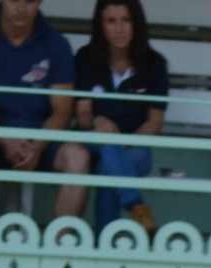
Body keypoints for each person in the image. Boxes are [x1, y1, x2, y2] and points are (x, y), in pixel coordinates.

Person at [0, 0, 88, 220]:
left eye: (29, 1)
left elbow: (62, 111)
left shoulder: (56, 43)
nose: (21, 8)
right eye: (14, 0)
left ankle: (60, 249)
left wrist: (36, 147)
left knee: (78, 157)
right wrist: (6, 141)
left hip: (42, 141)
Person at [74, 0, 167, 236]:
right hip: (93, 141)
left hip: (136, 148)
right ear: (100, 25)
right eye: (111, 21)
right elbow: (83, 116)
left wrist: (119, 144)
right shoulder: (86, 58)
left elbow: (154, 123)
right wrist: (97, 122)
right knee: (107, 156)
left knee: (110, 164)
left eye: (126, 20)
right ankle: (137, 208)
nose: (119, 28)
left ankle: (103, 241)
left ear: (137, 24)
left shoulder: (154, 64)